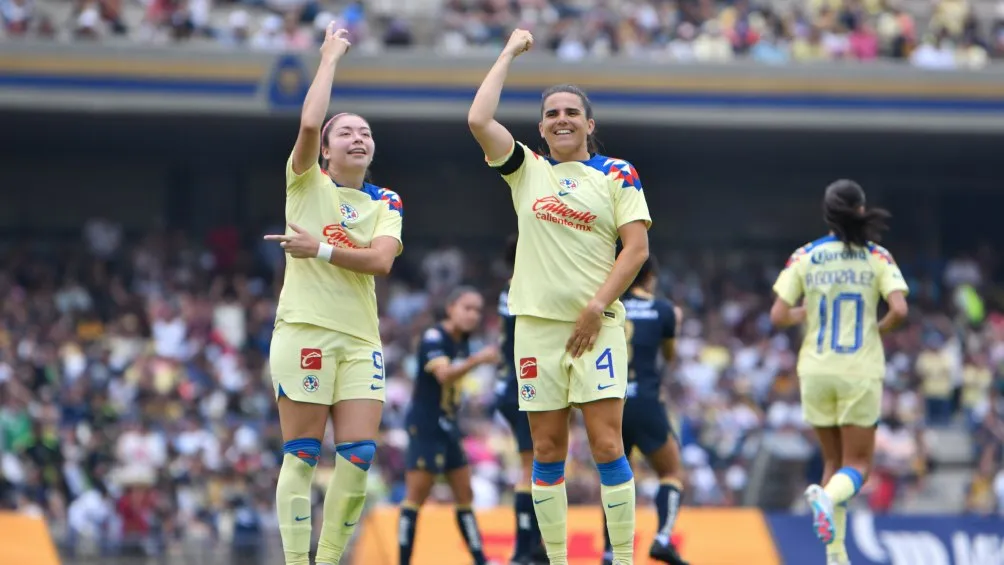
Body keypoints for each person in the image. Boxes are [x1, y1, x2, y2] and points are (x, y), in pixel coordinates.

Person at [468, 29, 652, 565]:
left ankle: (620, 556)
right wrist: (506, 54)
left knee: (608, 447)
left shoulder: (616, 173)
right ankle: (557, 558)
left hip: (599, 326)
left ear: (589, 124)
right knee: (547, 451)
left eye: (572, 112)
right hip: (536, 328)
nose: (562, 119)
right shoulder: (528, 169)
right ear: (541, 127)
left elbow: (636, 249)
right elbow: (479, 120)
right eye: (552, 114)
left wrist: (596, 307)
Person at [263, 24, 404, 565]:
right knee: (301, 454)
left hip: (360, 339)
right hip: (305, 330)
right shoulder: (305, 183)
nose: (359, 138)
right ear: (325, 151)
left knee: (360, 455)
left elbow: (382, 261)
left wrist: (318, 248)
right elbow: (306, 119)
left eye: (366, 132)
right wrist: (328, 58)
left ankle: (328, 559)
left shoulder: (386, 200)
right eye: (346, 132)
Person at [770, 179, 908, 565]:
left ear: (827, 214)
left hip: (815, 369)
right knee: (858, 467)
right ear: (861, 210)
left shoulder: (805, 256)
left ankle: (835, 556)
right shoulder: (877, 256)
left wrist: (806, 311)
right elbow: (899, 310)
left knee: (834, 463)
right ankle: (825, 497)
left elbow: (778, 315)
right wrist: (875, 329)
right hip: (858, 370)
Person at [398, 287, 501, 565]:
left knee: (464, 494)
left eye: (478, 310)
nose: (473, 315)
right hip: (427, 425)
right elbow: (443, 374)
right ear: (450, 308)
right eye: (467, 308)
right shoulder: (435, 337)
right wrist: (477, 360)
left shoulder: (462, 341)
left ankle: (481, 559)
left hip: (449, 425)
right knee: (416, 497)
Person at [601, 256, 688, 565]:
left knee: (615, 477)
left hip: (611, 402)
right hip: (646, 400)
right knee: (671, 472)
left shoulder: (607, 304)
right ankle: (663, 539)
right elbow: (669, 355)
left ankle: (611, 551)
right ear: (650, 276)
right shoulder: (662, 309)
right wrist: (672, 327)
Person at [493, 234, 547, 565]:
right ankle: (522, 550)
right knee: (531, 468)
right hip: (522, 388)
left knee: (538, 464)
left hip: (510, 386)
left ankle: (535, 546)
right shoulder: (526, 289)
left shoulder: (508, 290)